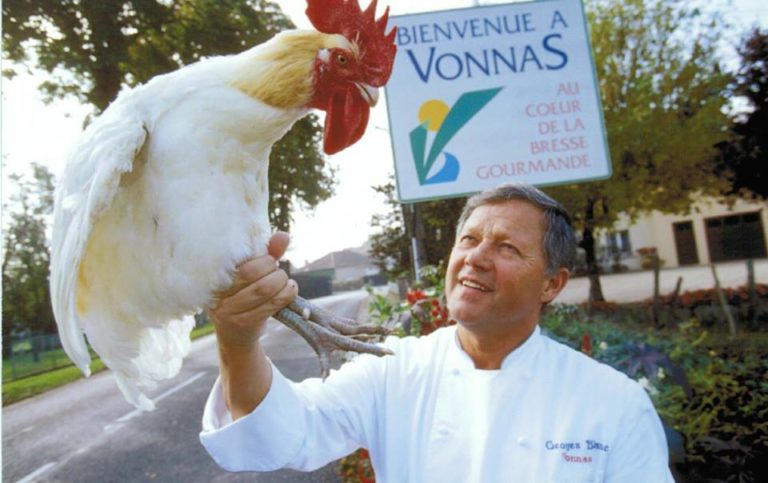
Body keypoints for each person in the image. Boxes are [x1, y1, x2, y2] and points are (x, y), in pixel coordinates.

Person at [200, 183, 674, 482]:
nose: (476, 257)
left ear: (552, 283)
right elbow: (285, 435)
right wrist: (238, 338)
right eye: (468, 239)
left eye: (506, 247)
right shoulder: (393, 370)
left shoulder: (614, 403)